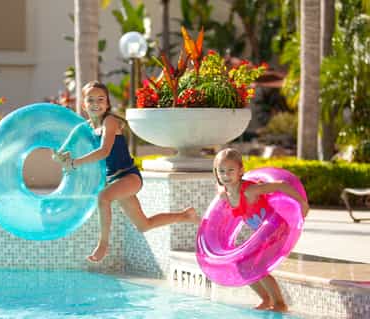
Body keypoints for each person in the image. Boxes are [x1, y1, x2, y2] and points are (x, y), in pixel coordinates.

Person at [53, 81, 200, 263]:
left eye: (101, 99)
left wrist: (75, 163)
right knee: (144, 225)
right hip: (115, 180)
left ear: (107, 104)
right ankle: (185, 215)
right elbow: (62, 149)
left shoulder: (110, 122)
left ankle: (103, 244)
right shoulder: (87, 127)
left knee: (103, 197)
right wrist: (61, 156)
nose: (96, 104)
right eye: (91, 100)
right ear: (84, 105)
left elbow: (104, 151)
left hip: (129, 176)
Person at [213, 148, 309, 312]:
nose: (226, 175)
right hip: (263, 234)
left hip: (278, 230)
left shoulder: (250, 191)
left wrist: (302, 203)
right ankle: (266, 298)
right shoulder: (225, 192)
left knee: (258, 266)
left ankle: (280, 303)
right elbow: (220, 188)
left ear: (241, 170)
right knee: (241, 266)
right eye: (222, 171)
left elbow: (281, 185)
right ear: (216, 172)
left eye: (231, 170)